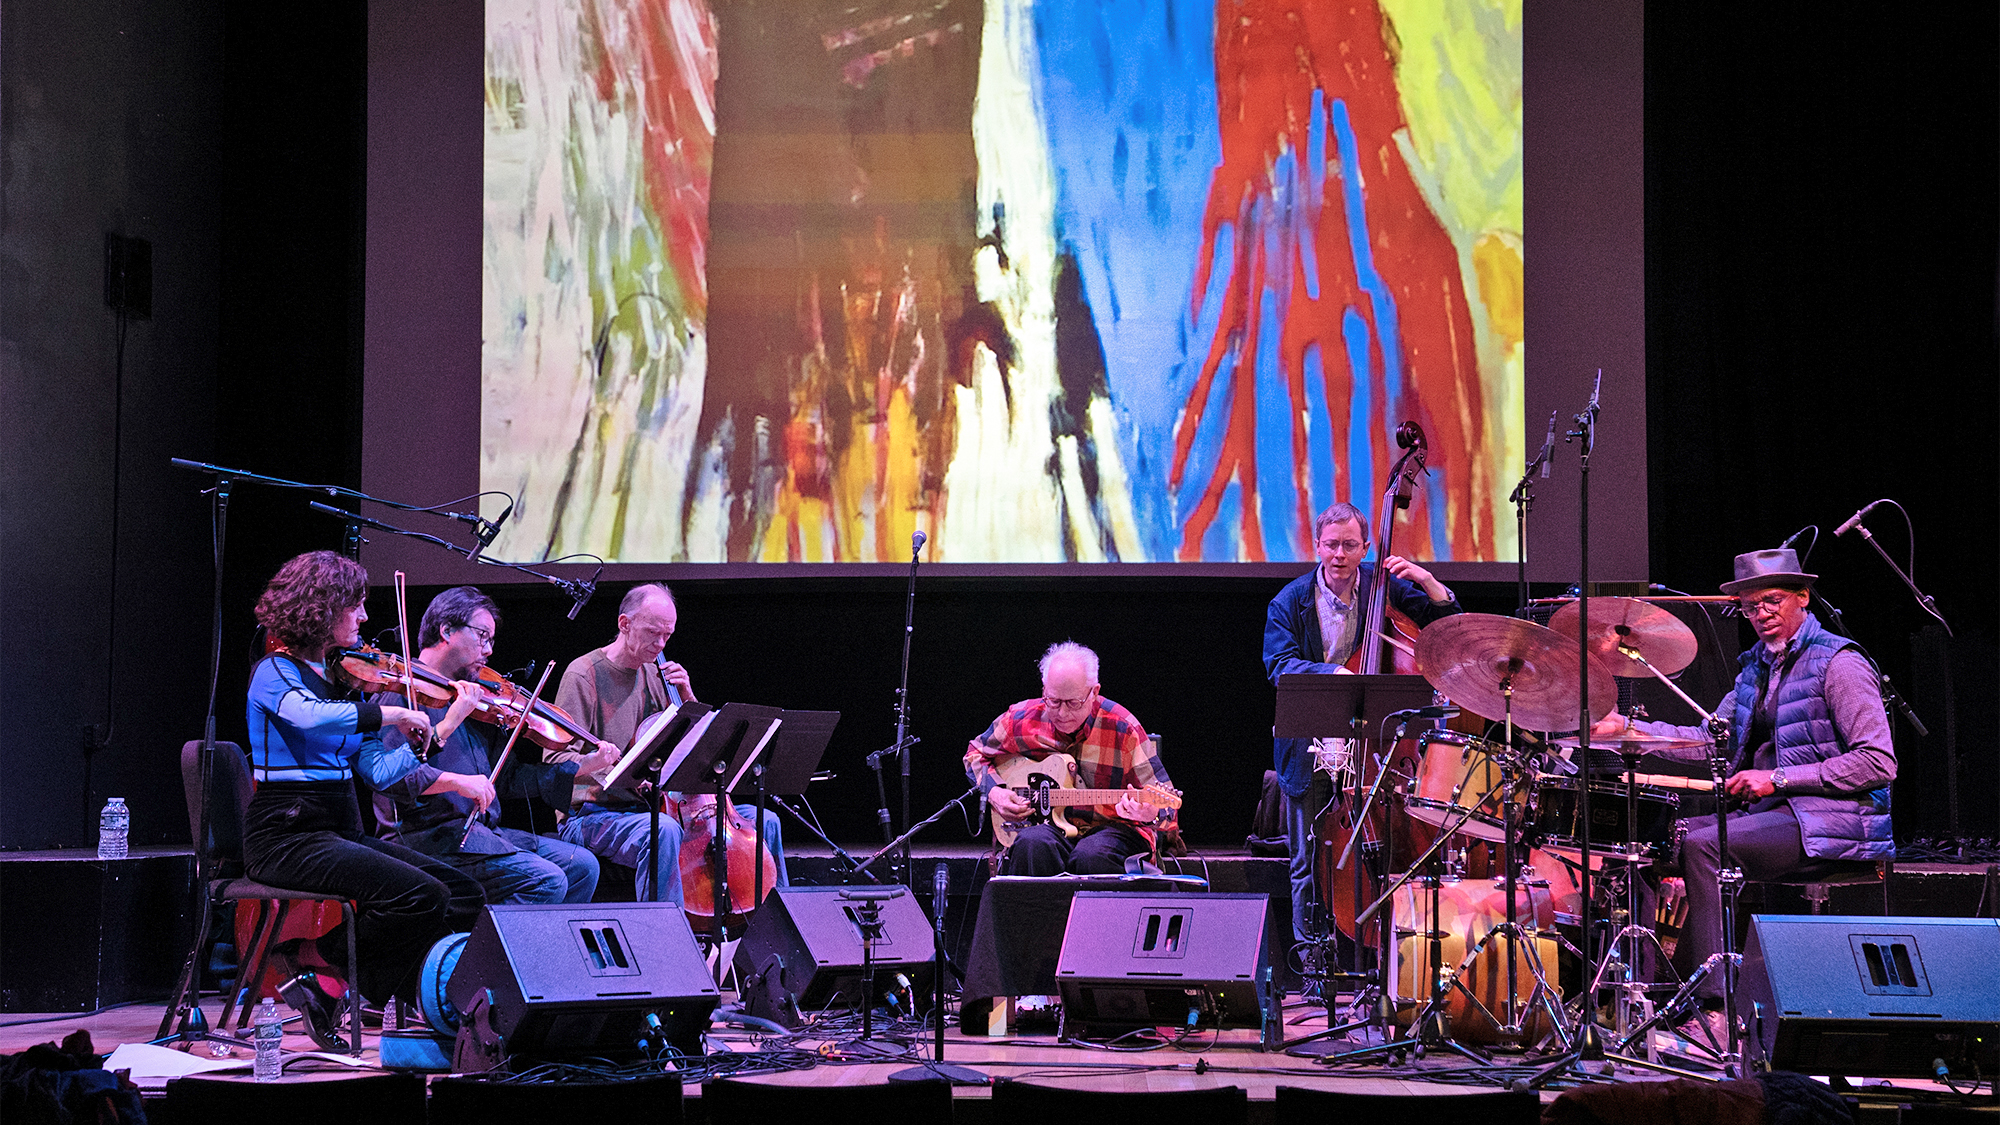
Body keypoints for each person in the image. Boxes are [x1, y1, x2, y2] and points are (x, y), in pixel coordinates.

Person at [1596, 548, 1894, 1035]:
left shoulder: (1839, 662)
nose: (1761, 614)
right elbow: (1711, 740)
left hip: (1831, 818)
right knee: (1641, 844)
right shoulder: (1756, 667)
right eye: (1751, 606)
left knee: (1704, 845)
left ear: (1802, 597)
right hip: (1772, 815)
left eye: (1772, 601)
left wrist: (1778, 779)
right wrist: (1627, 729)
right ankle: (1645, 998)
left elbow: (1878, 762)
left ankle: (1716, 1009)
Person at [239, 551, 484, 1047]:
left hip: (336, 828)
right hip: (286, 834)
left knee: (462, 893)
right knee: (419, 895)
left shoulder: (345, 684)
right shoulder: (274, 672)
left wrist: (437, 731)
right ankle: (318, 966)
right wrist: (392, 715)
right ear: (322, 607)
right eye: (356, 606)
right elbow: (307, 716)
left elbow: (378, 772)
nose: (366, 617)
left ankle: (331, 980)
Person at [1262, 502, 1462, 948]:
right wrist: (1333, 674)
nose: (1340, 554)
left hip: (1374, 748)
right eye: (1332, 544)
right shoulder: (1289, 601)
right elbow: (1278, 664)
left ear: (1366, 548)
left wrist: (1428, 582)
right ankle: (1313, 961)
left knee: (1387, 853)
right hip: (1310, 744)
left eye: (1350, 545)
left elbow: (1447, 630)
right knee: (1306, 861)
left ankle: (1382, 956)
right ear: (1317, 546)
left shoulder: (1383, 588)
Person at [365, 586, 616, 905]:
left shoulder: (473, 698)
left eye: (491, 640)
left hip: (479, 834)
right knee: (546, 880)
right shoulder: (402, 694)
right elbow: (392, 778)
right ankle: (483, 939)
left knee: (582, 866)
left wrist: (583, 766)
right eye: (482, 636)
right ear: (446, 631)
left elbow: (508, 779)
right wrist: (458, 782)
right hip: (427, 839)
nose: (488, 650)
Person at [551, 583, 788, 903]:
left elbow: (697, 748)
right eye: (653, 633)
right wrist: (611, 769)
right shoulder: (583, 675)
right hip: (592, 814)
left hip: (654, 807)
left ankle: (777, 927)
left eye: (668, 635)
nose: (661, 644)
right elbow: (556, 762)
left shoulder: (657, 675)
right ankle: (665, 931)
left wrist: (688, 699)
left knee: (766, 821)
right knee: (662, 830)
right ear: (624, 624)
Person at [964, 641, 1177, 876]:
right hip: (1051, 827)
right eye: (1054, 701)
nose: (1062, 713)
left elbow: (1167, 806)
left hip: (1112, 830)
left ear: (1094, 692)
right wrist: (994, 792)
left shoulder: (1123, 728)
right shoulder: (1021, 718)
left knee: (1092, 855)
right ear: (1044, 690)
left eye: (1074, 703)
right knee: (1032, 844)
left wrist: (1149, 813)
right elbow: (975, 754)